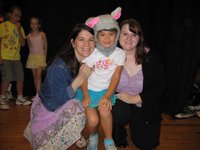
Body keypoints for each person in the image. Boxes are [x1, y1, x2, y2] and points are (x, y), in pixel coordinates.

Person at [23, 23, 95, 150]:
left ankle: (75, 134)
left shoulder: (86, 60)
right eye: (81, 40)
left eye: (91, 40)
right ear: (73, 43)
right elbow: (57, 101)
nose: (87, 45)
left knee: (83, 103)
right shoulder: (58, 66)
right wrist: (80, 78)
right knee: (77, 109)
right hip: (49, 108)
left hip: (60, 101)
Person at [112, 19, 166, 150]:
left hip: (143, 101)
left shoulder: (150, 57)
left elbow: (160, 86)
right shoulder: (111, 56)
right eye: (125, 34)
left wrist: (135, 98)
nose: (129, 38)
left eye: (134, 34)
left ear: (139, 37)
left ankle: (136, 124)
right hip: (120, 101)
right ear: (118, 35)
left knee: (147, 144)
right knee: (119, 114)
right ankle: (118, 131)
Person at [76, 7, 125, 150]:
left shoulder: (120, 54)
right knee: (93, 120)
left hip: (106, 90)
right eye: (102, 34)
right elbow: (83, 76)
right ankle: (93, 137)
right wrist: (85, 95)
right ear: (96, 35)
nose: (107, 38)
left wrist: (108, 95)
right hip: (88, 90)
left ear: (116, 34)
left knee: (105, 111)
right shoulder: (92, 53)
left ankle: (108, 141)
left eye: (111, 34)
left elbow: (116, 76)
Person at [0, 5, 31, 110]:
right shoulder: (3, 26)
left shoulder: (19, 27)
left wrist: (18, 29)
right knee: (7, 78)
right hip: (5, 56)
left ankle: (20, 98)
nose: (17, 18)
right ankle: (2, 98)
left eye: (19, 16)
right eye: (15, 15)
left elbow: (22, 43)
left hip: (16, 57)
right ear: (10, 15)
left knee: (20, 78)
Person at [26, 16, 48, 95]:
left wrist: (44, 59)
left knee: (38, 76)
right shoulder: (29, 36)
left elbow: (45, 46)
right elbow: (29, 47)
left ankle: (39, 95)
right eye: (32, 23)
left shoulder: (42, 34)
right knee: (35, 77)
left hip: (40, 57)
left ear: (39, 25)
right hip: (32, 57)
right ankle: (37, 93)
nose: (33, 25)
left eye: (35, 23)